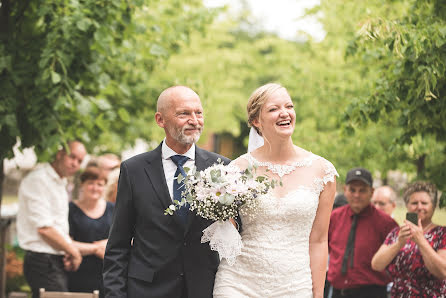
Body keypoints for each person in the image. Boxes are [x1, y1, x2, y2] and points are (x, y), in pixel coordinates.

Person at [103, 86, 231, 298]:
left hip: (203, 289)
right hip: (147, 290)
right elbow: (118, 243)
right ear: (160, 120)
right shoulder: (133, 170)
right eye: (184, 113)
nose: (194, 120)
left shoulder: (222, 168)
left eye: (198, 113)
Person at [213, 83, 338, 297]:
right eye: (273, 109)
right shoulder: (236, 169)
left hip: (294, 284)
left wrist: (318, 294)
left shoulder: (322, 171)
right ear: (256, 121)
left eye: (289, 106)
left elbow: (318, 240)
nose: (284, 113)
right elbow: (227, 233)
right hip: (238, 282)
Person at [17, 141, 87, 298]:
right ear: (60, 154)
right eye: (72, 157)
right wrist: (73, 251)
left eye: (80, 161)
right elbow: (44, 229)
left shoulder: (60, 183)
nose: (75, 163)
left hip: (53, 259)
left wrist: (68, 249)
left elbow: (58, 229)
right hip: (41, 259)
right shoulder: (39, 180)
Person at [327, 167, 398, 298]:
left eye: (362, 190)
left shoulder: (386, 223)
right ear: (345, 190)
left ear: (371, 192)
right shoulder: (334, 217)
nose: (357, 195)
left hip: (372, 292)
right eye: (352, 190)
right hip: (337, 292)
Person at [371, 181, 446, 296]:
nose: (419, 207)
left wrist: (420, 240)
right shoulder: (397, 233)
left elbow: (442, 271)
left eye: (424, 203)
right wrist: (399, 243)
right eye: (414, 203)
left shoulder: (442, 234)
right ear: (407, 205)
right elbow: (376, 265)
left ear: (433, 206)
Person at [67, 166, 114, 297]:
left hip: (109, 275)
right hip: (78, 275)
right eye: (90, 183)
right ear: (82, 185)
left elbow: (129, 239)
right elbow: (67, 244)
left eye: (99, 184)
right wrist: (96, 248)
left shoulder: (114, 209)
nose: (95, 188)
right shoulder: (70, 210)